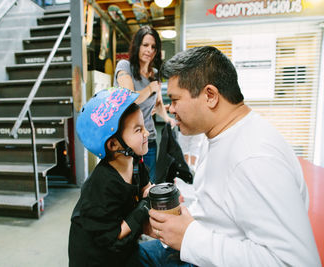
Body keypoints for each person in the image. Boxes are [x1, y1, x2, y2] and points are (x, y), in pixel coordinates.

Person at [138, 46, 321, 266]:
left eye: (175, 100)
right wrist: (176, 224)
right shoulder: (219, 133)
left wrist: (189, 237)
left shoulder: (254, 158)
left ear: (210, 96)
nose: (171, 108)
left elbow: (295, 262)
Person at [68, 87, 152, 267]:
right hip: (96, 259)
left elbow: (147, 188)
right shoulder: (102, 185)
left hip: (124, 253)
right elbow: (114, 236)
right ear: (113, 144)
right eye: (138, 130)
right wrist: (144, 206)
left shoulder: (135, 162)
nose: (147, 133)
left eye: (144, 126)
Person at [114, 25, 175, 183]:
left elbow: (159, 103)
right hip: (125, 140)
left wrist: (167, 118)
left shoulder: (154, 74)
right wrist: (149, 89)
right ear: (137, 46)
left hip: (149, 139)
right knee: (126, 185)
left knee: (148, 184)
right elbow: (129, 97)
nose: (149, 50)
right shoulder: (124, 66)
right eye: (145, 45)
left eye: (153, 47)